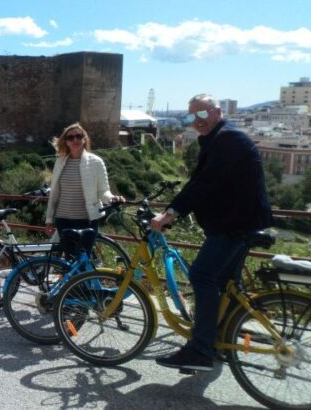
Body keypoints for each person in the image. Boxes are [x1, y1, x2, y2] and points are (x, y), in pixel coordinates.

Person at [151, 94, 272, 372]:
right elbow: (202, 184)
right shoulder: (218, 138)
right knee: (226, 283)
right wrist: (175, 211)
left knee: (202, 276)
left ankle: (200, 349)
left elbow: (204, 183)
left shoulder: (226, 139)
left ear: (217, 112)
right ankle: (220, 340)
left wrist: (170, 213)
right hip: (238, 223)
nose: (196, 122)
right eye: (190, 117)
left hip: (234, 224)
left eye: (201, 114)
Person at [44, 123, 124, 255]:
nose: (75, 140)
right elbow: (54, 194)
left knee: (83, 259)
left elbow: (103, 191)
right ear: (66, 141)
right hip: (63, 220)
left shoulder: (96, 162)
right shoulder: (60, 162)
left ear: (84, 139)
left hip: (86, 220)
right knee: (69, 261)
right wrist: (49, 220)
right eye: (70, 137)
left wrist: (112, 198)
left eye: (78, 136)